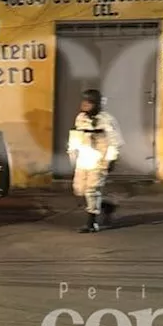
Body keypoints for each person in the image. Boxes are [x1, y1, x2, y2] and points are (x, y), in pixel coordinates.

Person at [66, 89, 122, 233]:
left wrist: (111, 159)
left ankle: (92, 223)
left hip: (99, 159)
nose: (84, 105)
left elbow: (114, 141)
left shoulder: (106, 120)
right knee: (79, 190)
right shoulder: (80, 118)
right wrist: (72, 153)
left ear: (95, 104)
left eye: (88, 102)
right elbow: (76, 136)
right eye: (83, 101)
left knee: (92, 190)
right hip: (84, 157)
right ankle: (106, 206)